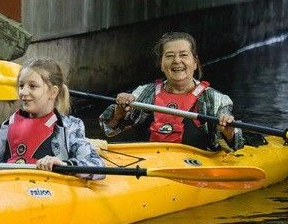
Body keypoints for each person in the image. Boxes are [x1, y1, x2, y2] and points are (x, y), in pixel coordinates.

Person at [99, 31, 244, 151]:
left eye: (183, 55)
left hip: (195, 170)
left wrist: (228, 130)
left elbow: (236, 144)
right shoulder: (144, 93)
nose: (176, 60)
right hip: (147, 166)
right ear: (161, 64)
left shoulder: (215, 99)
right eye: (169, 56)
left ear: (195, 63)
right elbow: (110, 129)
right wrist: (120, 111)